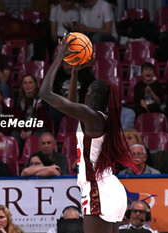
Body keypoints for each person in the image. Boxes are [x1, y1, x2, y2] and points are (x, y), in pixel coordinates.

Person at [39, 35, 136, 233]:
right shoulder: (99, 118)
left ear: (95, 97)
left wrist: (59, 57)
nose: (86, 92)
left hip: (98, 189)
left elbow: (45, 93)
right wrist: (74, 71)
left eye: (89, 90)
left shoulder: (93, 118)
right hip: (109, 187)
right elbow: (72, 103)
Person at [50, 61, 95, 134]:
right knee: (52, 109)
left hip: (81, 105)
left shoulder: (86, 73)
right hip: (63, 106)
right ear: (62, 64)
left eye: (72, 65)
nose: (70, 67)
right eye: (67, 64)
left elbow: (93, 90)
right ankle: (56, 133)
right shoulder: (58, 73)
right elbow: (53, 92)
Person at [12, 74, 53, 153]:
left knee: (37, 136)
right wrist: (21, 131)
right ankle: (18, 159)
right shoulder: (20, 100)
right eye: (25, 83)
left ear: (36, 85)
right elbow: (16, 119)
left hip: (38, 128)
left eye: (30, 82)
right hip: (24, 129)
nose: (27, 85)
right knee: (14, 135)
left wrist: (31, 131)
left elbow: (43, 120)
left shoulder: (42, 100)